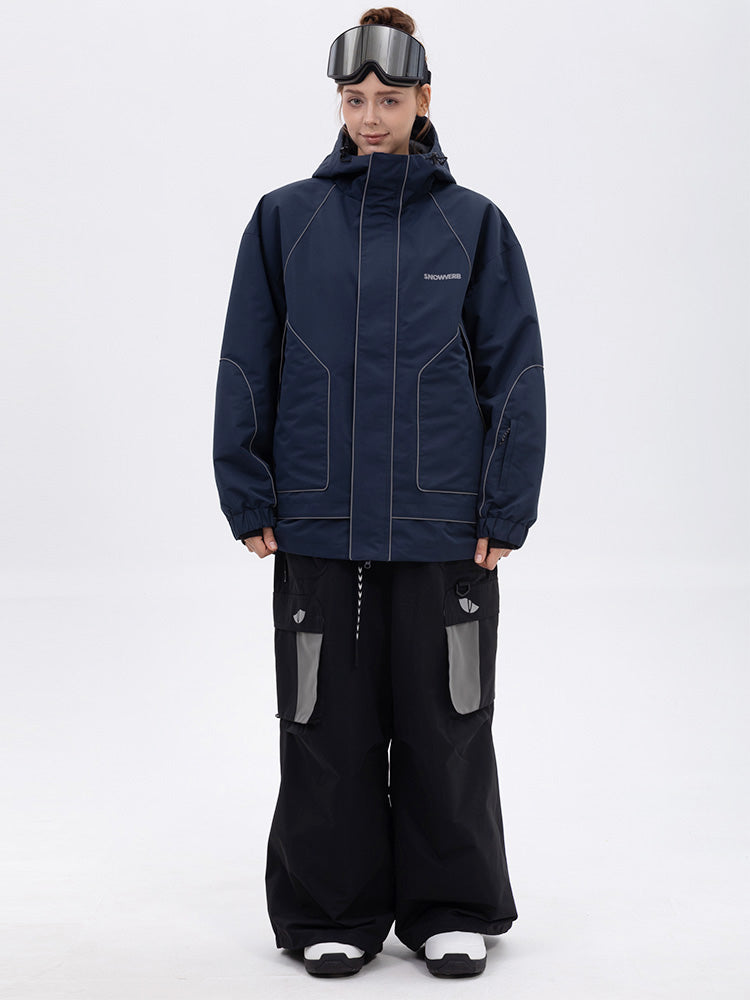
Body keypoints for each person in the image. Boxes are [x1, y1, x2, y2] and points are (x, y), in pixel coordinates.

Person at [212, 7, 546, 980]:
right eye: (354, 98)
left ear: (424, 100)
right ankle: (333, 907)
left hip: (445, 528)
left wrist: (506, 504)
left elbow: (515, 371)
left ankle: (452, 905)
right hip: (318, 522)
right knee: (325, 726)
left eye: (389, 99)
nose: (369, 116)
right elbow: (246, 361)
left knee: (448, 723)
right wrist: (246, 486)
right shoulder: (287, 220)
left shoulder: (473, 224)